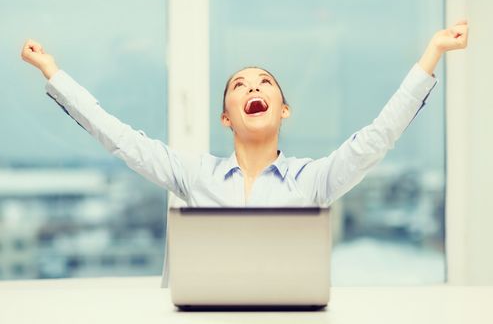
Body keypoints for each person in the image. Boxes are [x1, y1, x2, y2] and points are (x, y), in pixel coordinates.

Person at [20, 21, 468, 286]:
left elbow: (378, 137)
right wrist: (52, 72)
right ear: (226, 119)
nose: (253, 86)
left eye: (264, 82)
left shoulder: (312, 180)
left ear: (283, 109)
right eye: (239, 85)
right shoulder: (194, 174)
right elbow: (120, 137)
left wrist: (433, 52)